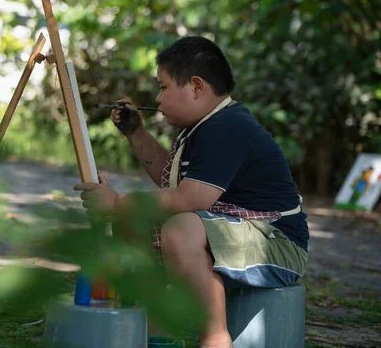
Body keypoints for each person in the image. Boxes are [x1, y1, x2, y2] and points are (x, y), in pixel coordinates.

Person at [73, 36, 309, 348]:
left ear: (196, 87)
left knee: (181, 229)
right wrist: (136, 133)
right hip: (237, 233)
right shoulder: (203, 126)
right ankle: (158, 328)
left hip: (278, 244)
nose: (158, 98)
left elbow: (191, 199)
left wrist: (117, 202)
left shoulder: (227, 128)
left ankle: (215, 338)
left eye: (164, 86)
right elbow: (174, 184)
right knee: (135, 222)